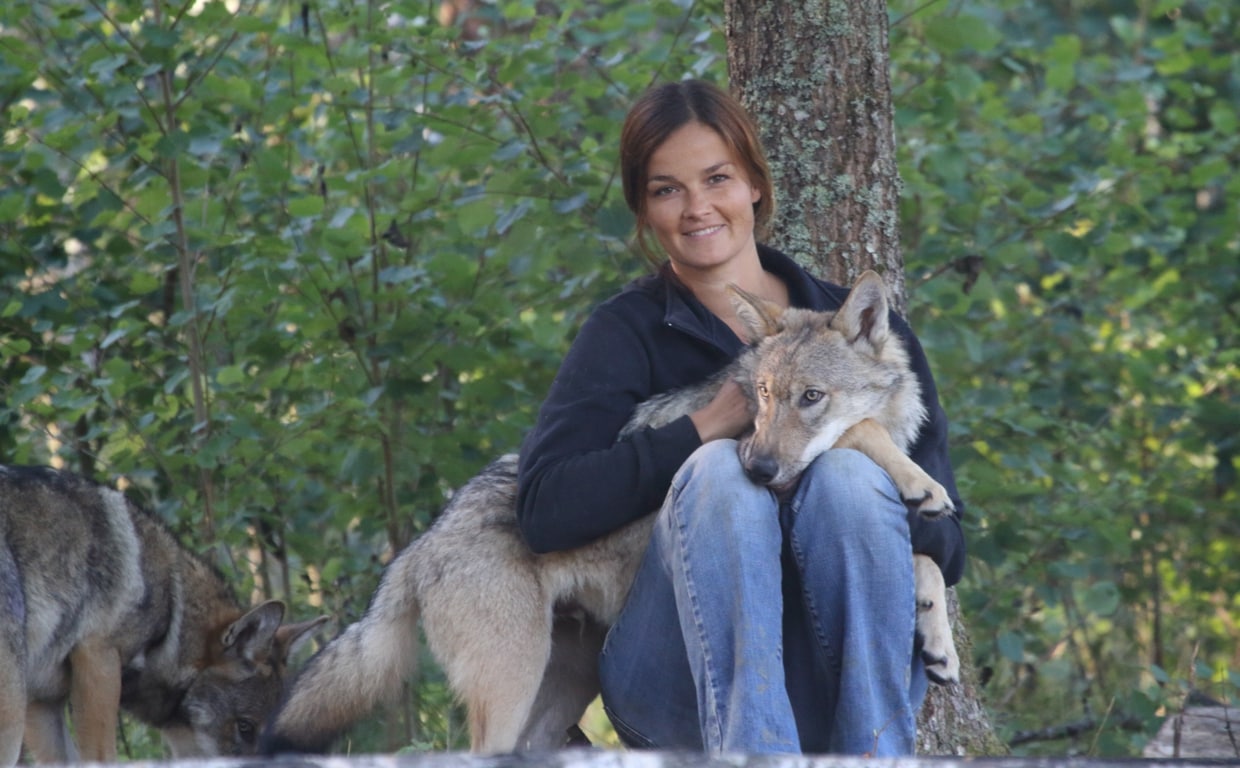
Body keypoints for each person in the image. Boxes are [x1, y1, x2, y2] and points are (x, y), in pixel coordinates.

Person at [515, 79, 966, 756]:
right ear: (643, 207)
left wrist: (868, 477)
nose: (697, 208)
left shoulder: (863, 334)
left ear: (755, 183)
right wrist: (706, 426)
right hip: (675, 685)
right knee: (721, 477)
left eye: (717, 178)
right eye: (667, 189)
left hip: (833, 678)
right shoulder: (625, 332)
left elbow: (950, 535)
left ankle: (876, 754)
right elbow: (546, 510)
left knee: (846, 479)